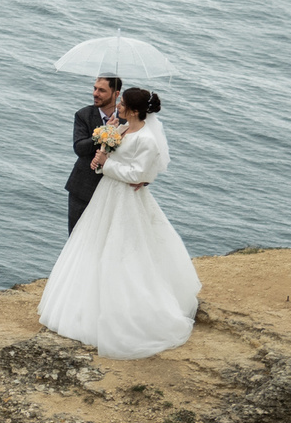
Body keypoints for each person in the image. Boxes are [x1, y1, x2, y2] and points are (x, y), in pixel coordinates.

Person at [39, 86, 200, 359]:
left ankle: (128, 311)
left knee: (123, 249)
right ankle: (84, 306)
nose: (119, 106)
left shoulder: (146, 139)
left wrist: (105, 165)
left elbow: (138, 172)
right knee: (93, 244)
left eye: (123, 103)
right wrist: (105, 144)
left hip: (124, 198)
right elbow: (115, 157)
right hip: (107, 196)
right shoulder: (124, 129)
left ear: (136, 111)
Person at [67, 75, 124, 233]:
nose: (95, 93)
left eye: (102, 90)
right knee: (76, 237)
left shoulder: (126, 119)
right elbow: (79, 148)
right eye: (95, 88)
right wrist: (104, 133)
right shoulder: (83, 115)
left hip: (113, 191)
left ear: (116, 94)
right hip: (83, 188)